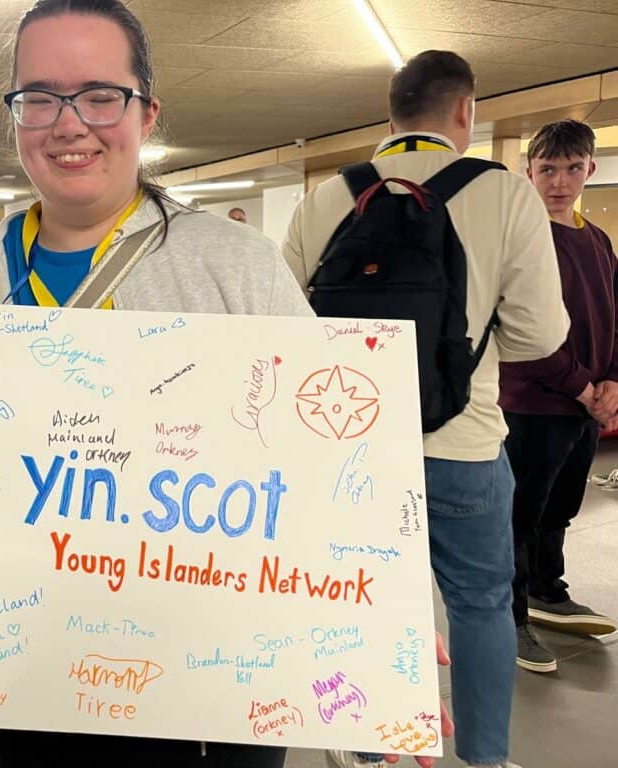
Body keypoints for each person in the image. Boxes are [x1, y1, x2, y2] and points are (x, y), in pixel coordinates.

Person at [0, 2, 452, 767]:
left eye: (100, 94)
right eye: (40, 97)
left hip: (213, 683)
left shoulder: (232, 268)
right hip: (19, 674)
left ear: (146, 111)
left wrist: (380, 644)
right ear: (15, 119)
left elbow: (329, 468)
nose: (69, 123)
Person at [283, 51, 569, 768]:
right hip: (463, 445)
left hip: (349, 451)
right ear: (464, 112)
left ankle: (371, 747)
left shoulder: (326, 198)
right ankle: (484, 757)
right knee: (478, 604)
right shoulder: (506, 193)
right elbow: (540, 334)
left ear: (391, 114)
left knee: (363, 596)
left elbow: (283, 325)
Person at [498, 119, 618, 674]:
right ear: (529, 173)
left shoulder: (597, 240)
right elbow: (521, 331)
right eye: (547, 169)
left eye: (573, 168)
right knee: (521, 515)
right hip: (533, 402)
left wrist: (611, 381)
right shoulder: (523, 240)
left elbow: (613, 319)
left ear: (590, 169)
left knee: (561, 509)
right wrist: (583, 386)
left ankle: (549, 588)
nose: (560, 181)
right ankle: (512, 614)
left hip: (587, 405)